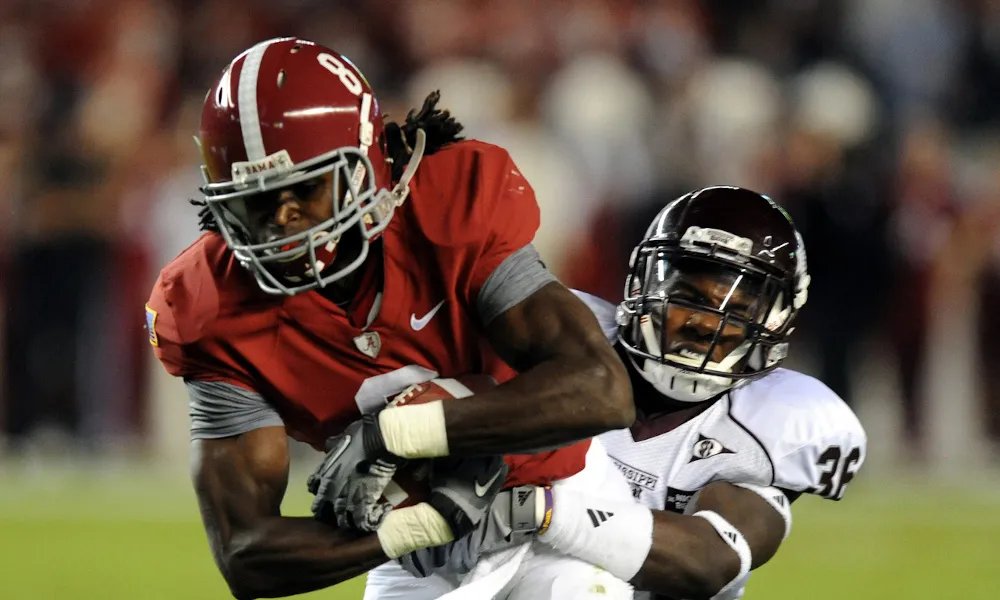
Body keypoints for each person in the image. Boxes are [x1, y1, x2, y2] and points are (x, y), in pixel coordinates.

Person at [144, 37, 635, 599]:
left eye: (304, 187)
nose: (281, 219)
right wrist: (419, 526)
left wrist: (396, 435)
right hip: (416, 553)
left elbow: (602, 389)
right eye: (254, 200)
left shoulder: (447, 207)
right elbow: (246, 552)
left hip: (555, 504)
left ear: (364, 168)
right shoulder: (209, 305)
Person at [402, 186, 867, 600]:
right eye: (689, 296)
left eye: (737, 309)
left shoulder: (778, 424)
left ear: (775, 321)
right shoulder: (563, 337)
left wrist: (539, 510)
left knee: (580, 587)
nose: (706, 323)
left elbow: (710, 562)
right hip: (457, 571)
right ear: (643, 284)